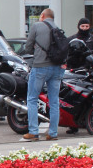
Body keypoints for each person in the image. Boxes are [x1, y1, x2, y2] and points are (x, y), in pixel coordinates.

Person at [24, 9, 64, 142]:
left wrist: (34, 51)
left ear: (42, 16)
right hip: (57, 68)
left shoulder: (37, 26)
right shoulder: (58, 28)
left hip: (40, 66)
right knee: (54, 101)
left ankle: (34, 132)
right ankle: (53, 133)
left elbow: (28, 46)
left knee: (32, 99)